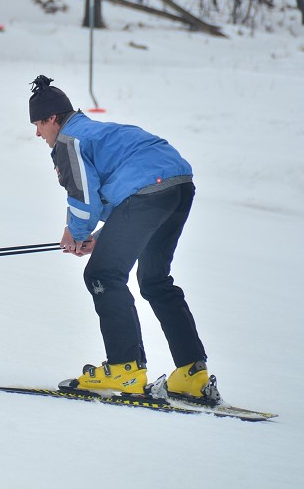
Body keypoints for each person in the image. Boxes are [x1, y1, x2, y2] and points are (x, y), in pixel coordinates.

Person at [28, 75, 218, 402]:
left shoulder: (69, 141)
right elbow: (121, 192)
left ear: (52, 119)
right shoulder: (95, 132)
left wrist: (76, 233)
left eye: (38, 125)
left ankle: (124, 367)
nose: (37, 134)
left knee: (102, 275)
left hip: (147, 190)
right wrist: (101, 237)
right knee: (155, 280)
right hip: (178, 185)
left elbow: (84, 197)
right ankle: (192, 373)